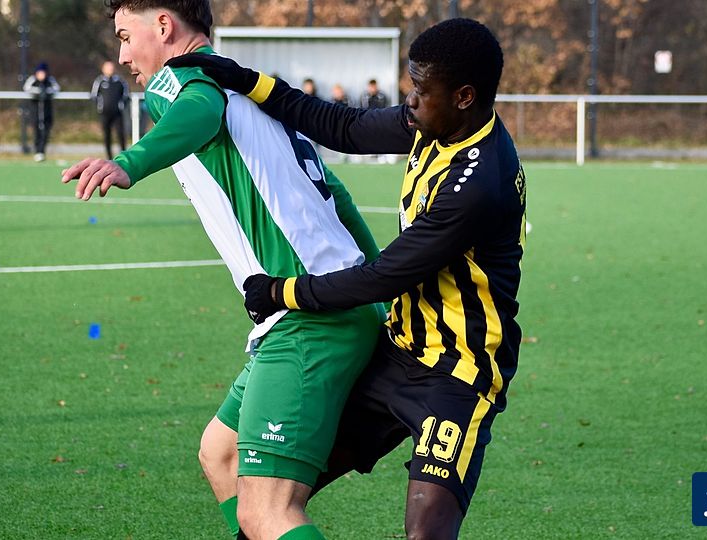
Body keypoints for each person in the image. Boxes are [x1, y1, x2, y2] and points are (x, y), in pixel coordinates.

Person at [169, 17, 525, 539]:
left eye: (421, 90)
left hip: (457, 375)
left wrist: (282, 291)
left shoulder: (479, 185)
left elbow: (382, 277)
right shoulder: (437, 123)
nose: (410, 100)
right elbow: (343, 126)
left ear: (464, 96)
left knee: (426, 532)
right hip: (397, 352)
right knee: (268, 496)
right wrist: (245, 79)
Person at [60, 2, 383, 539]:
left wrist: (129, 162)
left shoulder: (181, 78)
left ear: (164, 26)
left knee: (267, 512)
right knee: (221, 453)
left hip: (306, 315)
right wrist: (381, 290)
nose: (123, 54)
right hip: (333, 303)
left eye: (125, 36)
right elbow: (337, 196)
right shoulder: (253, 89)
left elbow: (198, 110)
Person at [90, 60, 129, 158]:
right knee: (107, 135)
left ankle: (124, 155)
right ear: (103, 69)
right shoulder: (99, 81)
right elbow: (94, 95)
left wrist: (121, 105)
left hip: (117, 113)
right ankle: (109, 157)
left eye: (111, 67)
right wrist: (100, 106)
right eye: (108, 67)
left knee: (120, 134)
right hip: (105, 113)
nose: (110, 69)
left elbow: (126, 95)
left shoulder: (120, 81)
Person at [23, 62, 60, 161]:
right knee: (36, 131)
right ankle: (37, 151)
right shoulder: (32, 80)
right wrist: (38, 91)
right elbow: (26, 88)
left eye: (43, 73)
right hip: (35, 112)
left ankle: (42, 151)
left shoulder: (50, 80)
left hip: (47, 112)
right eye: (39, 73)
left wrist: (46, 91)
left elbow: (56, 89)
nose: (41, 75)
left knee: (46, 132)